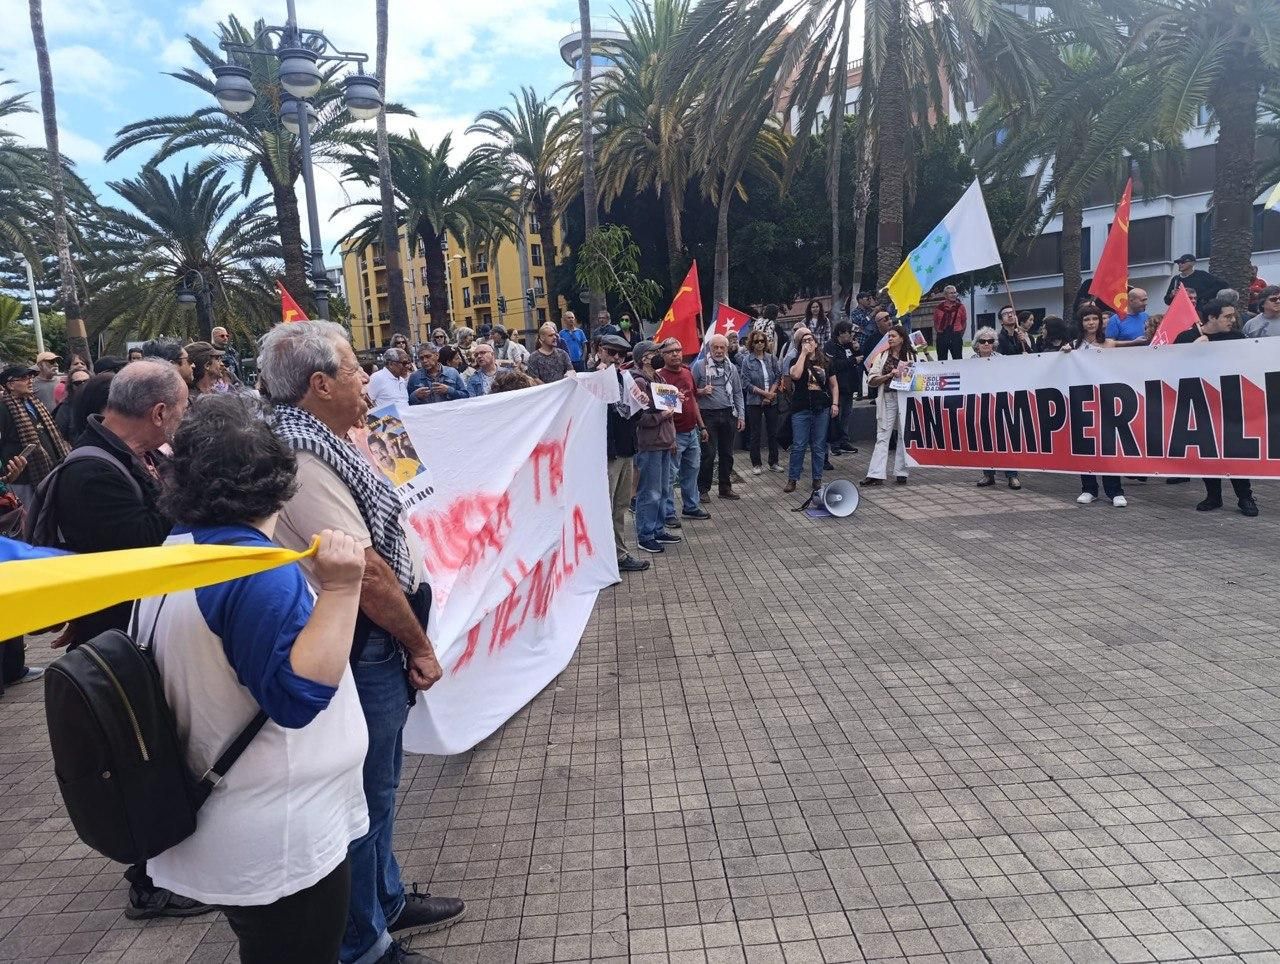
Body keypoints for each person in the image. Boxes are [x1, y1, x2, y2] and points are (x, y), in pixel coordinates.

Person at [140, 394, 370, 964]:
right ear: (278, 477)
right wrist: (342, 589)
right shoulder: (255, 572)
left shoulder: (179, 553)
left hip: (248, 814)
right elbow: (296, 697)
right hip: (280, 830)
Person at [260, 321, 462, 964]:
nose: (368, 380)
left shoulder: (341, 435)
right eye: (354, 370)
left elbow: (400, 491)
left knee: (380, 788)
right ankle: (363, 944)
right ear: (318, 385)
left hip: (377, 637)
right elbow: (365, 570)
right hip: (366, 639)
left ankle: (387, 897)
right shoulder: (300, 455)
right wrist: (419, 645)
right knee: (364, 796)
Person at [1172, 299, 1258, 517]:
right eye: (1227, 316)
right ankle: (1213, 496)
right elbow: (1170, 368)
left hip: (1230, 402)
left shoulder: (1237, 337)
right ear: (1211, 318)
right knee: (1208, 452)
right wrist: (1193, 351)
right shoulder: (1187, 337)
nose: (1232, 320)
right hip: (1201, 403)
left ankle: (1245, 497)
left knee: (1235, 451)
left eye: (1232, 316)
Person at [597, 333, 649, 572]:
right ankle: (602, 557)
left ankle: (619, 554)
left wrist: (645, 402)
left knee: (620, 506)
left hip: (626, 448)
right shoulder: (592, 379)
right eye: (611, 352)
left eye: (621, 354)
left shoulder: (625, 378)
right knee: (603, 508)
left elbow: (633, 414)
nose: (617, 358)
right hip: (605, 454)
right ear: (600, 351)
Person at [1065, 305, 1126, 508]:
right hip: (1082, 402)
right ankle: (1089, 488)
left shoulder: (1108, 343)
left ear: (1100, 321)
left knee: (1108, 446)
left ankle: (1115, 491)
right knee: (1085, 446)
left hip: (1105, 401)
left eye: (1094, 318)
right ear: (1080, 323)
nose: (1091, 323)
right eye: (1086, 319)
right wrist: (1064, 353)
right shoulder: (1073, 346)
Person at [631, 342, 680, 555]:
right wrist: (662, 416)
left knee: (662, 489)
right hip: (649, 443)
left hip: (663, 441)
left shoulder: (658, 379)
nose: (659, 356)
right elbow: (638, 417)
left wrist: (676, 402)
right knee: (649, 492)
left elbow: (667, 407)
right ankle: (646, 534)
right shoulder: (639, 381)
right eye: (654, 353)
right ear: (644, 358)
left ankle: (658, 528)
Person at [655, 338, 711, 521]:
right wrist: (669, 438)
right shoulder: (659, 377)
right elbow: (662, 410)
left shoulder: (687, 372)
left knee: (692, 471)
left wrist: (701, 426)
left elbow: (693, 400)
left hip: (691, 431)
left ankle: (691, 506)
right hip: (673, 434)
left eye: (678, 350)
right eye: (670, 351)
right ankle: (668, 513)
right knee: (670, 476)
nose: (675, 354)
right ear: (662, 355)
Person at [0, 363, 70, 504]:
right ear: (10, 385)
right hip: (23, 479)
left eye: (31, 377)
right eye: (25, 378)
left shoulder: (34, 402)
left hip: (49, 469)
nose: (30, 381)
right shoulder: (3, 409)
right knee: (31, 519)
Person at [691, 334, 746, 502]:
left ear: (727, 349)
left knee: (727, 453)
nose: (719, 350)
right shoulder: (700, 366)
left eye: (722, 347)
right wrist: (701, 391)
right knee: (708, 454)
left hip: (728, 413)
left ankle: (725, 487)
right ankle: (703, 489)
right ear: (709, 348)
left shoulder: (732, 368)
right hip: (708, 415)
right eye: (715, 347)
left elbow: (737, 392)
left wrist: (741, 415)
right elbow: (690, 393)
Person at [784, 330, 838, 494]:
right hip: (801, 408)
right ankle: (793, 479)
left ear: (816, 343)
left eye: (810, 340)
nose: (808, 342)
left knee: (819, 445)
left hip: (821, 408)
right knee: (799, 445)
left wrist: (835, 403)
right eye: (804, 341)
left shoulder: (827, 362)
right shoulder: (795, 360)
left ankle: (817, 478)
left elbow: (834, 385)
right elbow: (795, 375)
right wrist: (803, 355)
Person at [968, 327, 1022, 489]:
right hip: (980, 405)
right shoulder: (969, 362)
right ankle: (988, 474)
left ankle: (1012, 476)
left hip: (1000, 404)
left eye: (990, 341)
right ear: (976, 344)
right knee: (985, 440)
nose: (986, 344)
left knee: (1005, 440)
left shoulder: (1002, 359)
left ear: (994, 344)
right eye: (982, 341)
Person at [863, 325, 916, 487]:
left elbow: (921, 377)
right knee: (883, 434)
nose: (890, 339)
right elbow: (871, 380)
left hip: (905, 397)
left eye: (893, 336)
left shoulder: (911, 355)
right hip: (887, 397)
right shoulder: (882, 356)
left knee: (903, 434)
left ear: (902, 337)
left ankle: (901, 472)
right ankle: (875, 473)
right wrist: (888, 375)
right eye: (889, 336)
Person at [738, 329, 783, 474]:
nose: (759, 344)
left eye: (762, 341)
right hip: (755, 401)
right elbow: (745, 382)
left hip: (771, 400)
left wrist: (771, 394)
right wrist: (764, 394)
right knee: (755, 433)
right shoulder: (747, 360)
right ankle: (756, 464)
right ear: (752, 343)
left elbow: (777, 376)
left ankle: (774, 462)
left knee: (773, 432)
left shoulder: (771, 358)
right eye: (756, 341)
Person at [825, 321, 861, 455]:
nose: (851, 336)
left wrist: (856, 349)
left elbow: (858, 358)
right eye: (849, 333)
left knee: (846, 415)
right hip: (839, 385)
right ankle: (834, 444)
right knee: (837, 416)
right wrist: (852, 361)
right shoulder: (831, 346)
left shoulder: (849, 345)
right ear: (841, 333)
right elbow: (833, 364)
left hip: (849, 386)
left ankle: (844, 440)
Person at [53, 367, 91, 440]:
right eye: (78, 383)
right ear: (71, 386)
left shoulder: (100, 403)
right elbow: (60, 438)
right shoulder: (65, 409)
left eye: (86, 382)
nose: (83, 385)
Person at [932, 285, 967, 361]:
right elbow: (935, 322)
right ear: (945, 295)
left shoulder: (960, 307)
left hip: (956, 335)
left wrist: (959, 335)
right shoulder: (939, 307)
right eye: (951, 293)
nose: (954, 295)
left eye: (955, 293)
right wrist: (940, 333)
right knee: (942, 360)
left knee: (958, 360)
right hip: (942, 336)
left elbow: (964, 322)